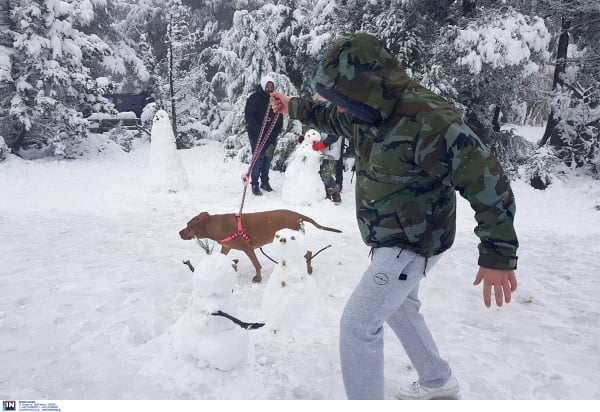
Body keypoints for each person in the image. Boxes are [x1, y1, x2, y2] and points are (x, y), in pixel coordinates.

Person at [270, 33, 519, 400]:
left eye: (343, 100)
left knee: (357, 325)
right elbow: (333, 118)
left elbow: (486, 178)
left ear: (367, 88)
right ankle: (438, 380)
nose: (339, 108)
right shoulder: (366, 110)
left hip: (411, 242)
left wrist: (498, 254)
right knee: (399, 306)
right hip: (392, 234)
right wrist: (292, 106)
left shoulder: (428, 118)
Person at [244, 74, 284, 196]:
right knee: (258, 158)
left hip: (270, 136)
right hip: (256, 135)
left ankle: (265, 182)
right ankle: (255, 183)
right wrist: (259, 132)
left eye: (271, 86)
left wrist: (272, 135)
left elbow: (279, 119)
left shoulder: (275, 100)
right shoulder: (254, 98)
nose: (269, 88)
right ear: (263, 85)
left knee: (268, 158)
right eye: (267, 86)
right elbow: (249, 117)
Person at [312, 133, 345, 203]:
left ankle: (335, 195)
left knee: (325, 173)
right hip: (324, 152)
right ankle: (329, 195)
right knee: (323, 174)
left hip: (330, 152)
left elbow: (334, 136)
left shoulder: (331, 123)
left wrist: (322, 144)